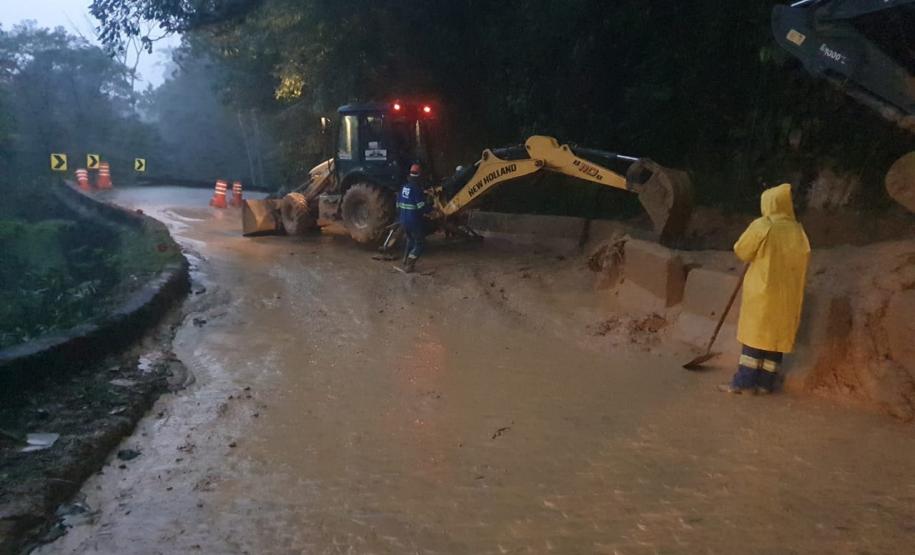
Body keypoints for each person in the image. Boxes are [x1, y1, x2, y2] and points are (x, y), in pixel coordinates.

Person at [719, 183, 811, 395]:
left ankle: (743, 383)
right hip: (788, 294)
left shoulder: (763, 226)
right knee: (775, 338)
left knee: (755, 336)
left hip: (763, 292)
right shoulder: (798, 230)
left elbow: (741, 251)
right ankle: (766, 384)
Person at [397, 163, 430, 273]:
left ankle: (405, 260)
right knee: (420, 243)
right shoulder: (416, 189)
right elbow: (421, 207)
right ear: (420, 175)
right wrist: (431, 209)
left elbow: (398, 205)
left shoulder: (403, 187)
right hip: (414, 221)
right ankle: (410, 264)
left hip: (403, 220)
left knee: (410, 239)